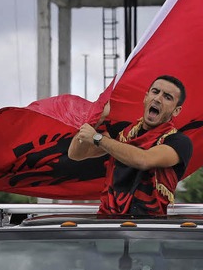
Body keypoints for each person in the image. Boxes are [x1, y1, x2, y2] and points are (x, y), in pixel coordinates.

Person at [68, 75, 193, 215]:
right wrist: (97, 118)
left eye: (167, 97)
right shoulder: (122, 132)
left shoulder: (179, 142)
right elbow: (76, 154)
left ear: (176, 110)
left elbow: (144, 160)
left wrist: (97, 138)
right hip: (109, 222)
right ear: (145, 97)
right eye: (155, 92)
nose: (158, 99)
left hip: (148, 229)